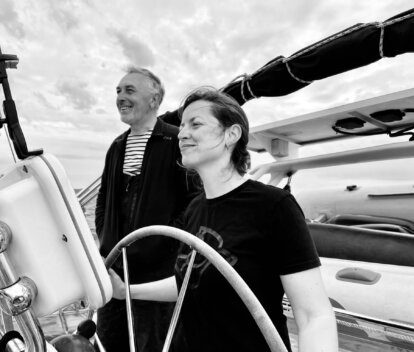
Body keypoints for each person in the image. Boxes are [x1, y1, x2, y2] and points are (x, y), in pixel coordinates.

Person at [109, 88, 338, 351]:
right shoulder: (195, 207)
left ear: (231, 134)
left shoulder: (274, 206)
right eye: (182, 126)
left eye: (195, 124)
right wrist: (127, 290)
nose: (182, 133)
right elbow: (188, 280)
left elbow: (314, 316)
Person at [95, 67, 196, 351]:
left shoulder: (175, 141)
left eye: (129, 90)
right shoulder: (116, 146)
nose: (120, 97)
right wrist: (106, 239)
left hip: (159, 269)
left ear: (154, 100)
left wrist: (162, 241)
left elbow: (193, 202)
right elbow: (104, 198)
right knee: (110, 339)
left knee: (153, 342)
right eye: (118, 91)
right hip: (116, 264)